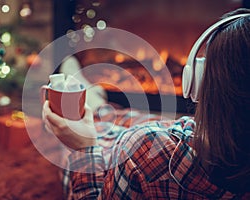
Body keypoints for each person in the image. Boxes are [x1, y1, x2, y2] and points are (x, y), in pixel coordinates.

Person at [42, 8, 250, 199]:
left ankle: (95, 106)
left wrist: (83, 148)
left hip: (130, 160)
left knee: (97, 135)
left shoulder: (143, 147)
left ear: (197, 79)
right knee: (126, 120)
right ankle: (98, 106)